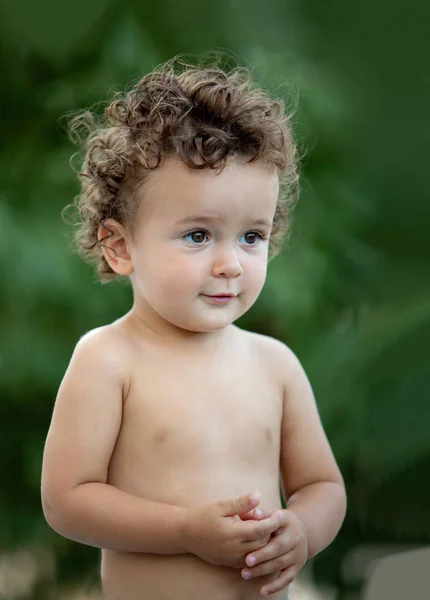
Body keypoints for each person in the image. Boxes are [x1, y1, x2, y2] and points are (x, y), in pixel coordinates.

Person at [41, 57, 347, 600]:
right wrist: (185, 532)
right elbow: (67, 500)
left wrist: (303, 531)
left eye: (252, 237)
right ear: (120, 246)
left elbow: (321, 486)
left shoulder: (275, 365)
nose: (231, 263)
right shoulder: (110, 359)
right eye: (199, 235)